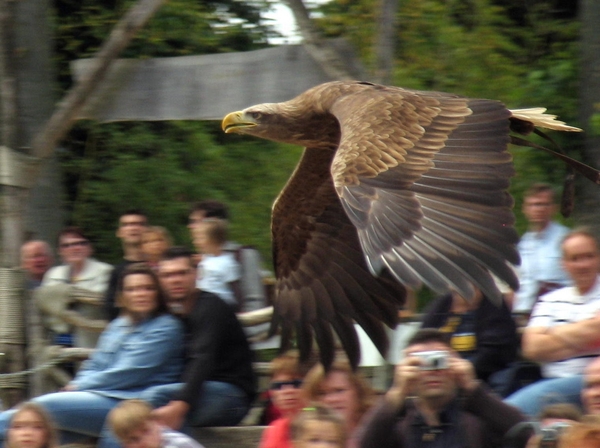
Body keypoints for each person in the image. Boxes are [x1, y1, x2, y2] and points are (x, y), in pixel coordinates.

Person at [0, 264, 185, 448]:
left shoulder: (166, 327)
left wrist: (80, 386)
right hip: (98, 396)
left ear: (157, 293)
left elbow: (129, 372)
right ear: (122, 296)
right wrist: (78, 385)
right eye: (132, 289)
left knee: (38, 410)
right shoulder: (119, 325)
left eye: (148, 288)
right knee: (29, 433)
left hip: (132, 400)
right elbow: (96, 363)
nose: (140, 294)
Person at [143, 247, 256, 430]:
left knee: (155, 399)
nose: (175, 280)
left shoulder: (210, 307)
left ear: (197, 273)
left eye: (182, 273)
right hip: (200, 391)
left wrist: (181, 403)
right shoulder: (174, 313)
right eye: (167, 275)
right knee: (130, 413)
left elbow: (202, 358)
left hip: (232, 396)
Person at [357, 328, 529, 448]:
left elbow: (525, 435)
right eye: (420, 363)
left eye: (440, 359)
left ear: (457, 364)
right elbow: (365, 445)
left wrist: (472, 388)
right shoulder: (398, 427)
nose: (433, 371)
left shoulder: (478, 422)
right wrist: (396, 393)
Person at [506, 228, 600, 416]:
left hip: (591, 382)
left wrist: (554, 333)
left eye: (588, 256)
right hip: (551, 384)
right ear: (563, 264)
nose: (582, 265)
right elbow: (532, 348)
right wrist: (588, 333)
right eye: (575, 259)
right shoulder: (550, 300)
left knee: (512, 413)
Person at [420, 287, 518, 386]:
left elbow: (494, 354)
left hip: (481, 377)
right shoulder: (440, 306)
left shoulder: (494, 307)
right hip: (440, 373)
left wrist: (460, 370)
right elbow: (422, 341)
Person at [188, 200, 267, 312]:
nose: (191, 226)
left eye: (195, 222)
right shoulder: (199, 260)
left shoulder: (243, 255)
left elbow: (254, 300)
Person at [40, 226, 113, 348]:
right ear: (60, 251)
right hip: (58, 344)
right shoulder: (53, 274)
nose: (74, 248)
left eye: (80, 243)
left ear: (89, 247)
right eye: (66, 245)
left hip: (93, 344)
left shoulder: (105, 272)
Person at [513, 183, 571, 313]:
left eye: (544, 204)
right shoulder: (523, 245)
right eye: (533, 204)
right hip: (525, 315)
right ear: (524, 209)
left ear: (554, 208)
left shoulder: (566, 240)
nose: (538, 209)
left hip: (559, 313)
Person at [303, 356, 374, 442]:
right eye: (322, 393)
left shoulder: (379, 433)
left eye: (339, 391)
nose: (331, 399)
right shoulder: (305, 438)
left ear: (358, 393)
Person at [259, 350, 308, 448]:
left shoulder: (319, 419)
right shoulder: (274, 429)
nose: (288, 390)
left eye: (297, 384)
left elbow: (312, 409)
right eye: (279, 385)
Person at [105, 210, 148, 320]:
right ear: (119, 232)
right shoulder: (116, 272)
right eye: (127, 225)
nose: (133, 228)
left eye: (139, 224)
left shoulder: (161, 265)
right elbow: (110, 308)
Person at [108, 400, 204, 448]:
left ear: (158, 424)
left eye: (146, 431)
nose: (143, 442)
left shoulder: (177, 444)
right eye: (133, 439)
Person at [192, 218, 242, 310]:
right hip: (203, 303)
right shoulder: (205, 259)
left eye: (200, 238)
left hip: (221, 305)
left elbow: (235, 287)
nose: (195, 242)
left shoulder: (227, 262)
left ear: (213, 240)